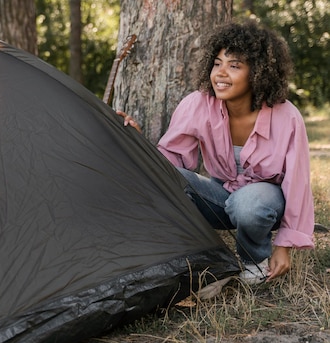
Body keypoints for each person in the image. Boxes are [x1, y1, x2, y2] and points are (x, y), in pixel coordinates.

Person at [123, 20, 314, 284]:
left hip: (264, 204)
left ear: (258, 72)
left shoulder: (287, 117)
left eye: (234, 65)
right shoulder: (197, 104)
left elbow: (298, 186)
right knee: (171, 179)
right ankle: (192, 261)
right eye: (217, 63)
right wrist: (136, 141)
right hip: (220, 199)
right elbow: (170, 162)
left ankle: (253, 260)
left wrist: (284, 245)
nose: (221, 73)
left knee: (248, 203)